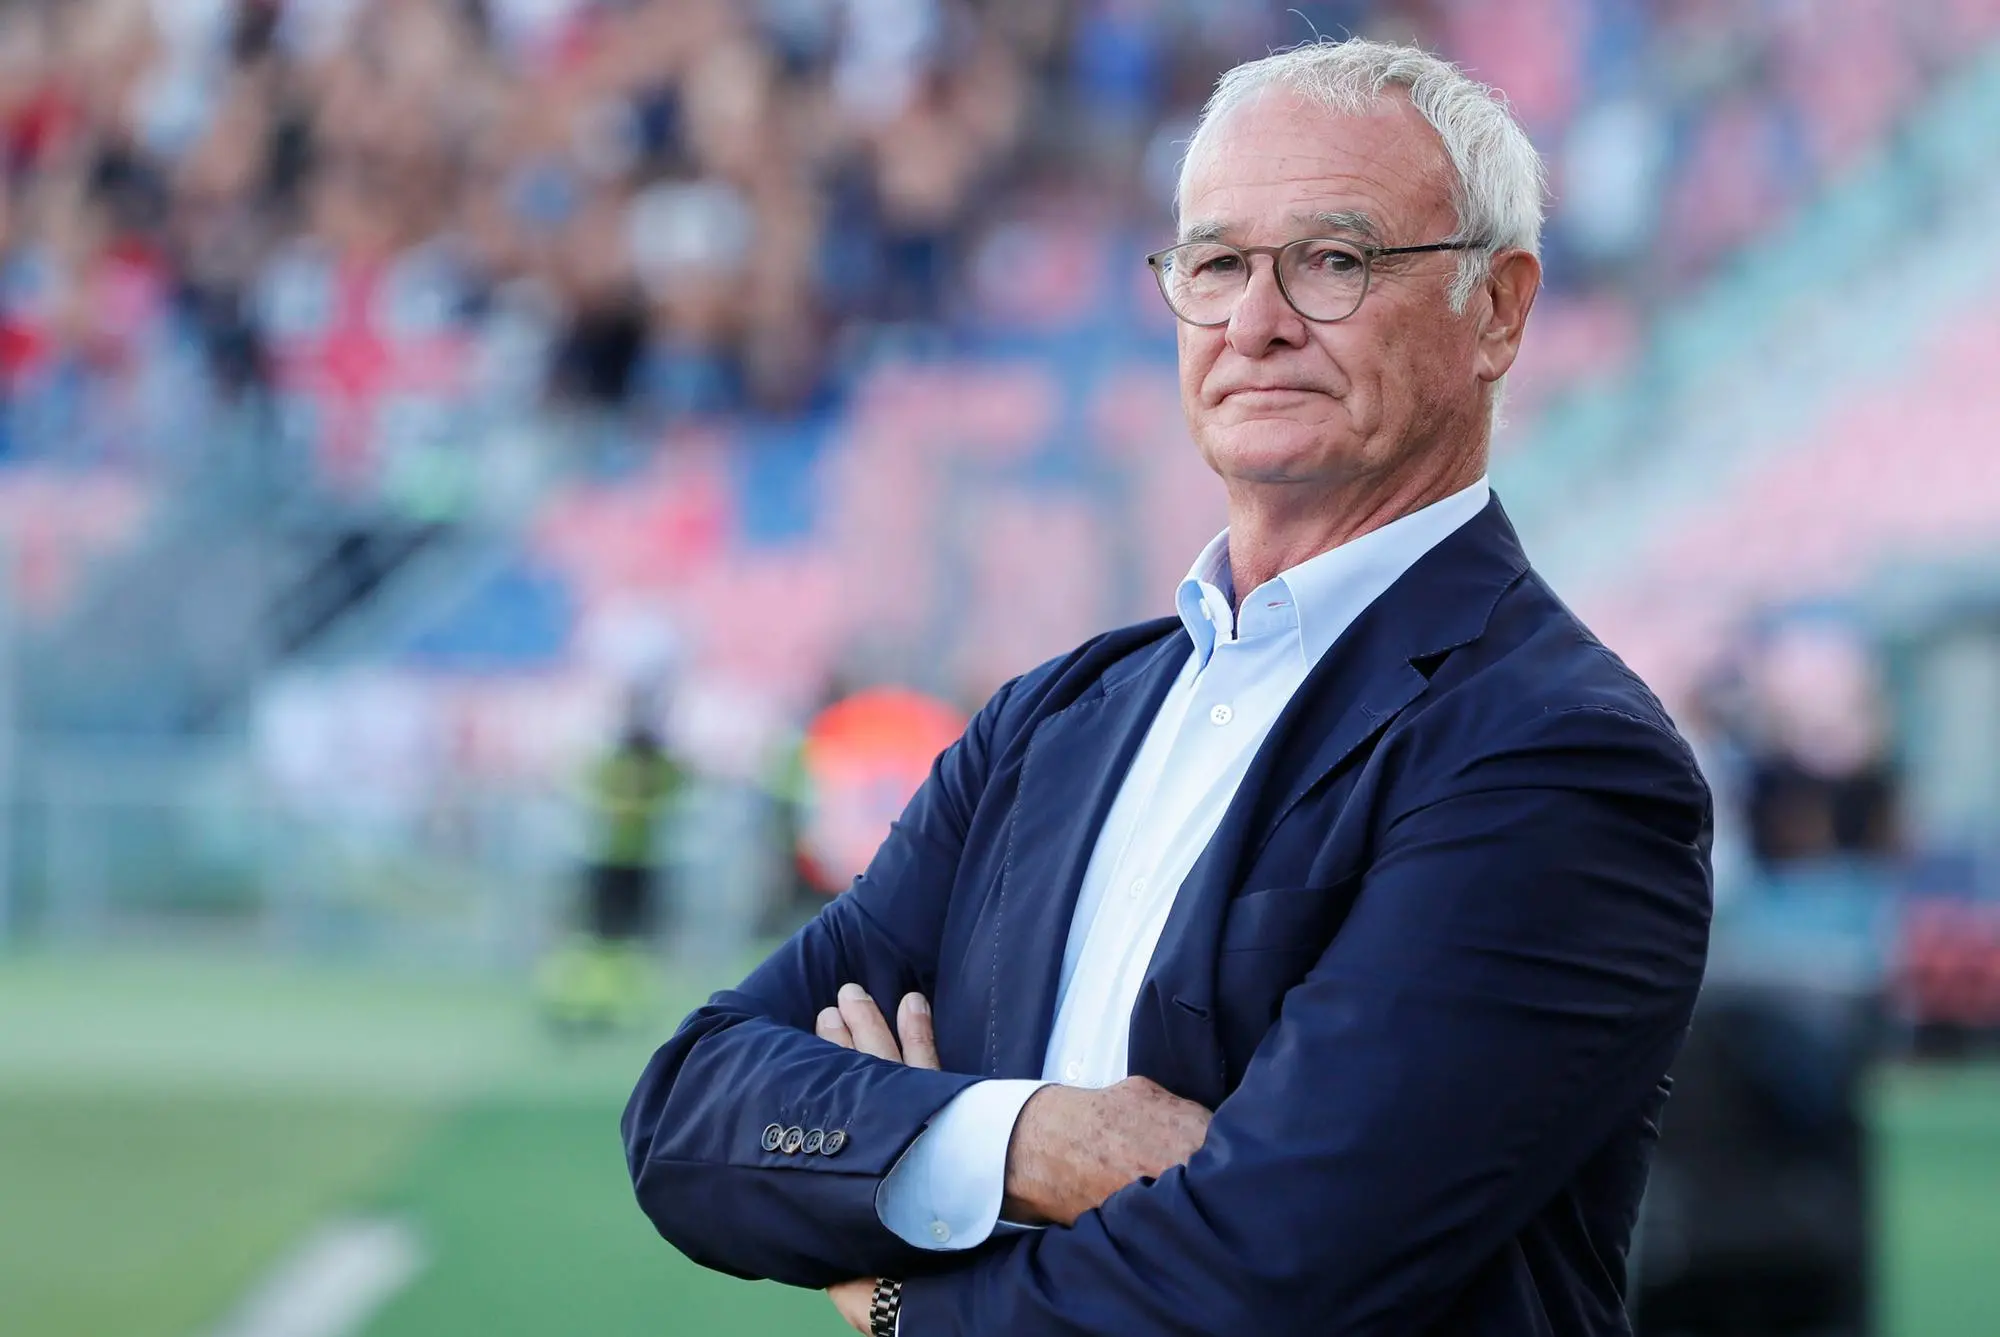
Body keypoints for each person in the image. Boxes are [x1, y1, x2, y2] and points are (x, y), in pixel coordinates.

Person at [623, 38, 1713, 1337]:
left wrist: (903, 1281)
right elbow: (688, 1114)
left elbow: (1270, 1276)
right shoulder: (1052, 723)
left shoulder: (1559, 755)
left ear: (1498, 310)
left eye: (1334, 259)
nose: (1256, 322)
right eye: (1214, 264)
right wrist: (1028, 1138)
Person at [538, 696, 686, 1029]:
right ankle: (586, 999)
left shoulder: (653, 766)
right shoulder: (627, 765)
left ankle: (607, 1001)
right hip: (612, 861)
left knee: (620, 938)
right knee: (602, 936)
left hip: (634, 862)